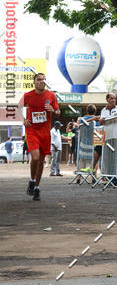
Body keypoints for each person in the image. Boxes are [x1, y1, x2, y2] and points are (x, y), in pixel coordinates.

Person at [22, 72, 60, 201]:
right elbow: (17, 108)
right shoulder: (28, 95)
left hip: (45, 133)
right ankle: (32, 180)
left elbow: (58, 112)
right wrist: (23, 119)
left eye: (43, 80)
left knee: (41, 162)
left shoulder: (51, 95)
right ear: (34, 82)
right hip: (32, 130)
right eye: (39, 80)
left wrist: (53, 110)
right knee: (36, 157)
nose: (41, 82)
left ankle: (36, 188)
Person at [100, 93, 117, 186]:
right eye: (111, 98)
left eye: (115, 98)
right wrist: (106, 119)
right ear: (107, 99)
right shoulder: (103, 110)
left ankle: (115, 179)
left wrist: (105, 119)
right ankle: (109, 177)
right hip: (107, 136)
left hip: (116, 136)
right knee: (107, 157)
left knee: (116, 157)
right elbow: (100, 121)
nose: (113, 100)